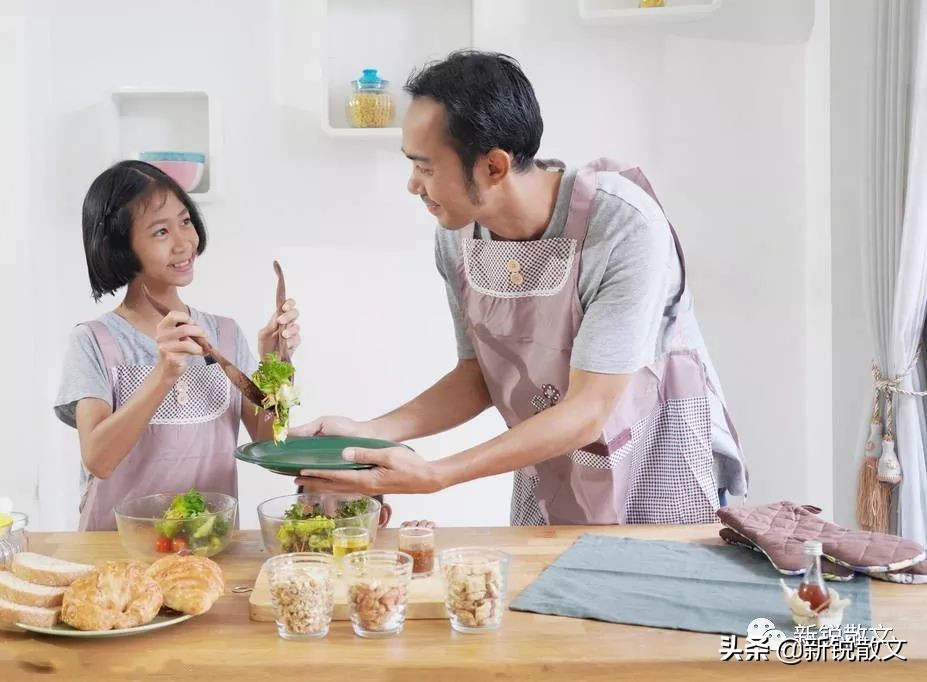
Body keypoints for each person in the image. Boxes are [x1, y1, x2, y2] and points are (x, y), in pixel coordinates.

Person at [293, 51, 746, 525]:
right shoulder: (456, 235)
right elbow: (476, 378)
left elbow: (590, 407)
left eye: (425, 168)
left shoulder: (622, 227)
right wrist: (368, 434)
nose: (412, 185)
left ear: (493, 166)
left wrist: (437, 474)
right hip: (551, 459)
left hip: (656, 461)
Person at [55, 160, 301, 530]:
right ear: (120, 246)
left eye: (185, 222)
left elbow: (269, 441)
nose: (183, 242)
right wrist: (163, 374)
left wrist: (273, 366)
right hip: (115, 552)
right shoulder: (93, 342)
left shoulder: (226, 335)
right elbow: (99, 460)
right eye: (160, 232)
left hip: (209, 547)